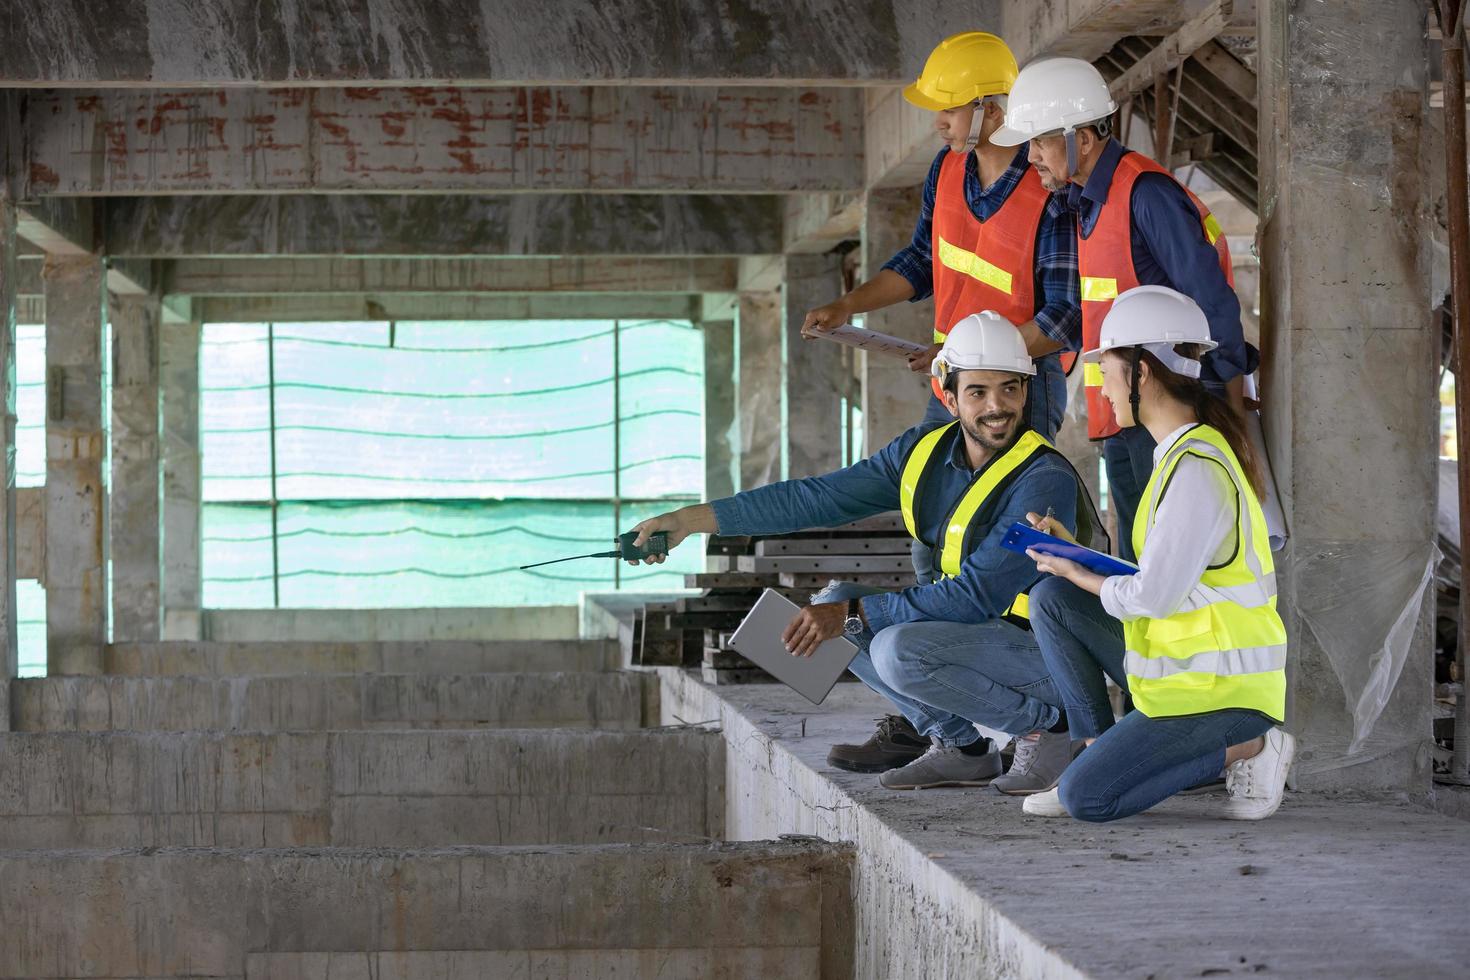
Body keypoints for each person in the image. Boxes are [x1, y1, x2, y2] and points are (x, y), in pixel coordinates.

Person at [627, 314, 1098, 790]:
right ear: (948, 396)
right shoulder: (923, 452)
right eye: (978, 391)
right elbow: (813, 498)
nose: (997, 407)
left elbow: (977, 594)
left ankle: (1046, 730)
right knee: (835, 601)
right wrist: (688, 521)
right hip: (981, 640)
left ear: (1025, 391)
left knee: (891, 645)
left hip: (1050, 659)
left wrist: (853, 613)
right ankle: (962, 748)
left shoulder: (1042, 477)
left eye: (1010, 389)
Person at [801, 31, 1082, 583]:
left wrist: (965, 355)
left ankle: (1000, 646)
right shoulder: (946, 169)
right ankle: (934, 643)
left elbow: (1065, 318)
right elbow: (920, 261)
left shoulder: (1047, 188)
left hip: (1022, 385)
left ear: (991, 109)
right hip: (951, 380)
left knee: (993, 525)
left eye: (949, 107)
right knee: (931, 523)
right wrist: (846, 306)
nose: (938, 121)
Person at [1018, 286, 1292, 821]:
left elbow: (1155, 595)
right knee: (1052, 597)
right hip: (1181, 678)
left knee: (1088, 799)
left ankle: (1253, 747)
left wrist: (1080, 570)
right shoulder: (1177, 454)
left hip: (1222, 694)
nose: (1102, 388)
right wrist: (1075, 558)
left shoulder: (1196, 470)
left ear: (1141, 373)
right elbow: (1169, 575)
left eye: (1107, 371)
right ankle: (1093, 751)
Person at [990, 56, 1251, 562]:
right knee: (1137, 556)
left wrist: (1225, 403)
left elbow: (1212, 302)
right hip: (1124, 417)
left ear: (1082, 139)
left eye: (1041, 140)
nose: (1031, 156)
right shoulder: (1086, 201)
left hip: (1167, 416)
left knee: (1170, 562)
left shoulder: (1145, 194)